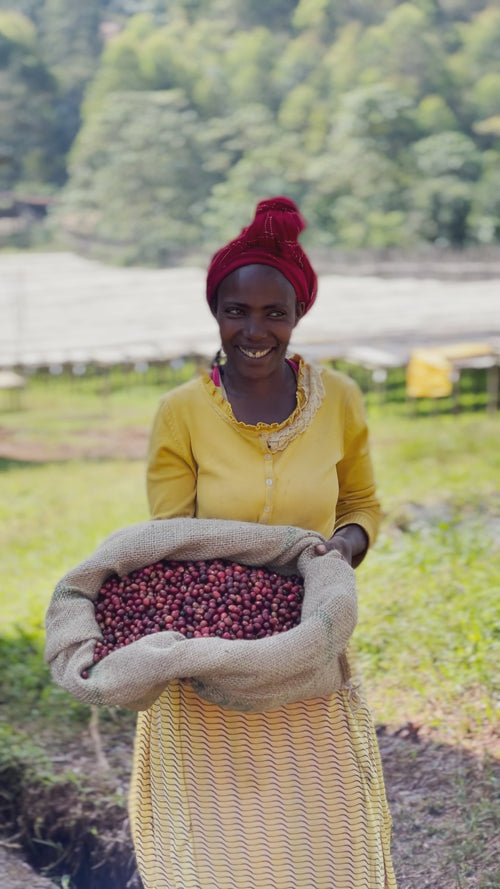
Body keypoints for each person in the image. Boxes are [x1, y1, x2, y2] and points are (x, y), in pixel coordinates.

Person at [130, 196, 396, 888]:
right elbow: (171, 538)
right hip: (208, 651)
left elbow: (362, 504)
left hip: (306, 646)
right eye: (236, 311)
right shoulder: (182, 411)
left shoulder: (337, 398)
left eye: (273, 312)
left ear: (298, 315)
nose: (254, 329)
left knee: (315, 830)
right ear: (216, 315)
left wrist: (338, 553)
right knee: (222, 844)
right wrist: (219, 616)